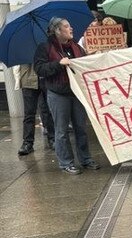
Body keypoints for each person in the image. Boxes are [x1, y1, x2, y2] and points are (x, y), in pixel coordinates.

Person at [34, 17, 101, 175]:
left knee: (81, 128)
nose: (71, 29)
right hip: (58, 94)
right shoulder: (44, 48)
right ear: (57, 31)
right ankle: (66, 163)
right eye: (66, 26)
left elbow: (84, 66)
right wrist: (58, 64)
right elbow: (39, 69)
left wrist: (92, 58)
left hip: (76, 93)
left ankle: (85, 159)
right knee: (62, 130)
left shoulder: (76, 47)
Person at [14, 64, 55, 155]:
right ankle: (27, 143)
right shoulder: (22, 49)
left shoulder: (46, 49)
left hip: (47, 78)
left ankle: (53, 138)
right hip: (28, 79)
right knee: (29, 113)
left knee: (49, 111)